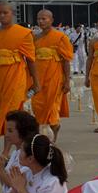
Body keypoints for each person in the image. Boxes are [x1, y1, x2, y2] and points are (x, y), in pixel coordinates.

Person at [0, 1, 40, 149]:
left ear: (12, 13)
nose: (1, 16)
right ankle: (24, 144)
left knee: (9, 115)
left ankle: (6, 152)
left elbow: (31, 59)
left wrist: (36, 82)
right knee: (13, 115)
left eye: (5, 12)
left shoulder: (23, 33)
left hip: (16, 77)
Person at [30, 9, 73, 143]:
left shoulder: (60, 37)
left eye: (44, 19)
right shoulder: (35, 38)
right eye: (39, 19)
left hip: (54, 79)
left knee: (52, 108)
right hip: (38, 79)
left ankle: (53, 135)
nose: (41, 21)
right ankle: (41, 137)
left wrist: (67, 81)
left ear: (51, 20)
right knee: (37, 106)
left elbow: (66, 61)